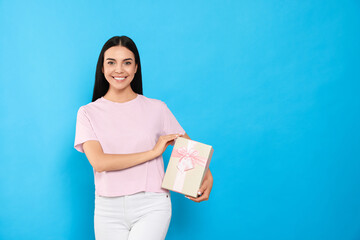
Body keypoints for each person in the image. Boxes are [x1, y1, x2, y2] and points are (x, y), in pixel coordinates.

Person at [74, 35, 213, 240]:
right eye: (111, 62)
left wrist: (206, 173)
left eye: (127, 63)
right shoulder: (87, 113)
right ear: (102, 68)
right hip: (107, 208)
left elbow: (188, 148)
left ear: (136, 67)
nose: (119, 69)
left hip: (152, 204)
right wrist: (152, 153)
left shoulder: (157, 108)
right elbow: (100, 162)